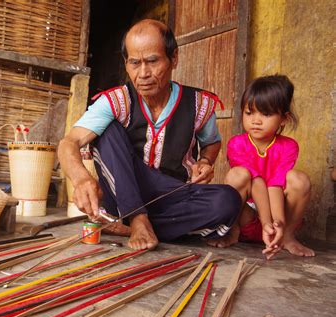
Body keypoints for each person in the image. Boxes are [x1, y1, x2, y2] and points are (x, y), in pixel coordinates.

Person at [58, 19, 241, 250]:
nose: (143, 73)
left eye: (152, 61)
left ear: (174, 58)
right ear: (126, 64)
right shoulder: (116, 101)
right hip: (121, 193)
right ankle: (136, 218)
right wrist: (81, 178)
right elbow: (69, 143)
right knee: (107, 132)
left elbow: (211, 144)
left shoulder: (198, 105)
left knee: (227, 200)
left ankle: (129, 225)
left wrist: (205, 161)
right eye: (134, 63)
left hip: (171, 195)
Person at [223, 74, 315, 259]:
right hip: (246, 219)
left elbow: (275, 183)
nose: (256, 120)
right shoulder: (237, 144)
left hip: (276, 219)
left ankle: (287, 237)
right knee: (237, 175)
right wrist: (265, 222)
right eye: (249, 113)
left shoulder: (288, 146)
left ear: (283, 119)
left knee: (299, 179)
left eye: (266, 114)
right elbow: (256, 182)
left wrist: (278, 224)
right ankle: (232, 231)